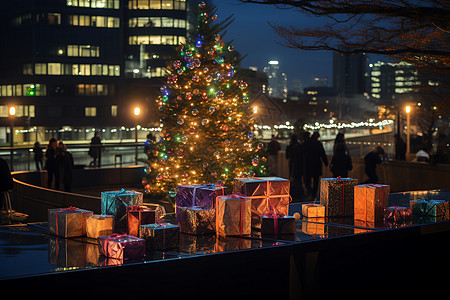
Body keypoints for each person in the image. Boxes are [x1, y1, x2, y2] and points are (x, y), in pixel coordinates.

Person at [303, 131, 328, 200]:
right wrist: (326, 163)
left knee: (307, 180)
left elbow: (302, 154)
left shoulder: (306, 143)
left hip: (308, 164)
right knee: (316, 181)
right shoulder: (318, 144)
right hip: (317, 165)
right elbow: (323, 154)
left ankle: (309, 192)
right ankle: (313, 195)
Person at [285, 134, 304, 199]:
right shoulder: (299, 146)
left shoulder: (290, 146)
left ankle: (293, 193)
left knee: (292, 177)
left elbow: (287, 156)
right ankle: (299, 193)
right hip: (299, 165)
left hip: (292, 165)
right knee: (299, 179)